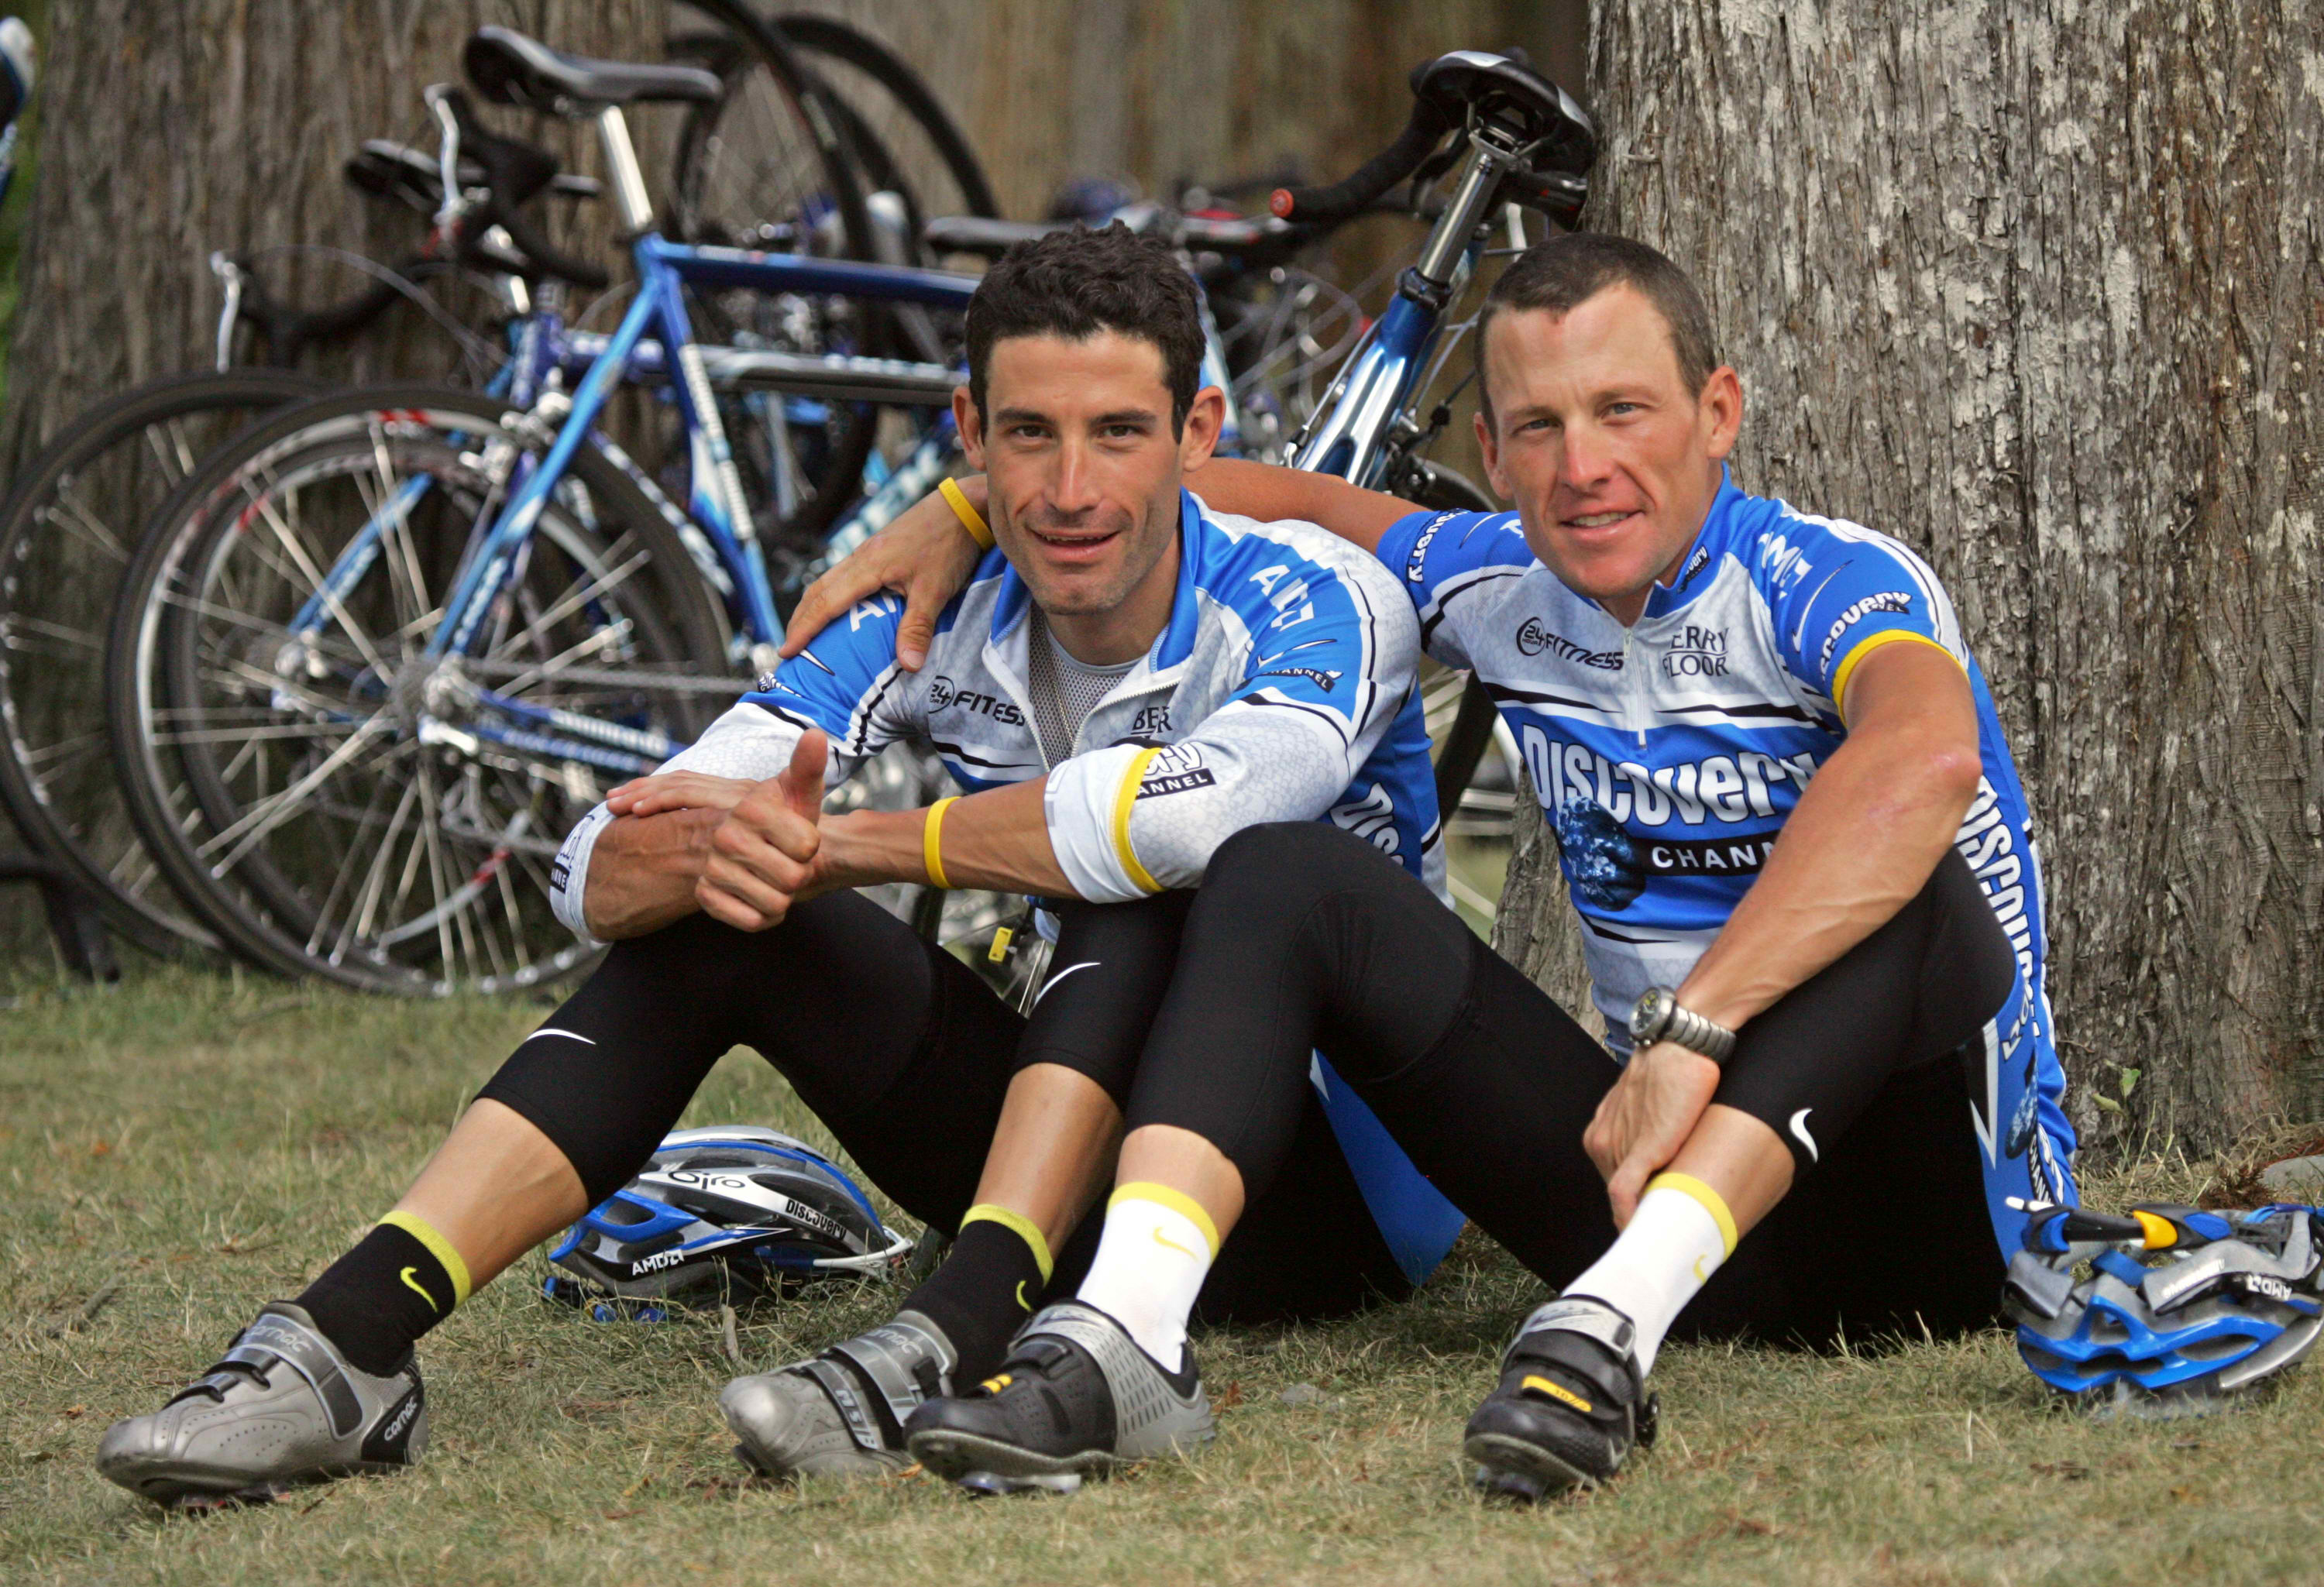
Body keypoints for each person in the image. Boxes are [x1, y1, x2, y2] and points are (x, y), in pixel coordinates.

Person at [94, 224, 1453, 1507]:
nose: (1071, 489)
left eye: (1117, 434)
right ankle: (348, 1343)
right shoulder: (927, 606)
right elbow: (589, 866)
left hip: (1318, 1204)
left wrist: (846, 847)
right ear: (969, 444)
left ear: (1196, 436)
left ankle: (952, 1330)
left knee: (1130, 873)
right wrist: (712, 851)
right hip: (1070, 1172)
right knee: (719, 905)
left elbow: (1183, 825)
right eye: (1028, 436)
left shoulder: (1309, 590)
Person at [792, 232, 2079, 1497]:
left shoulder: (1825, 577)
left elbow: (1924, 769)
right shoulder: (1500, 581)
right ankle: (1125, 1338)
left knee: (1905, 878)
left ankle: (1606, 1336)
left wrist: (1693, 1027)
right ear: (1491, 452)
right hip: (1671, 1210)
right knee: (1282, 870)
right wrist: (965, 508)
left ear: (1718, 410)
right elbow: (1238, 495)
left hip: (1934, 1231)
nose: (1584, 468)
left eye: (1623, 411)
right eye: (1538, 427)